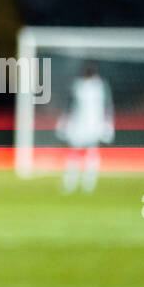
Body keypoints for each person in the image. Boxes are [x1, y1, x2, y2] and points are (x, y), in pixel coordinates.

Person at [56, 63, 113, 193]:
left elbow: (107, 106)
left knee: (85, 153)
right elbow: (69, 105)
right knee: (81, 153)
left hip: (90, 125)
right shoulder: (81, 86)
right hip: (82, 125)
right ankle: (74, 182)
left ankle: (85, 183)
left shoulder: (98, 86)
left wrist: (107, 124)